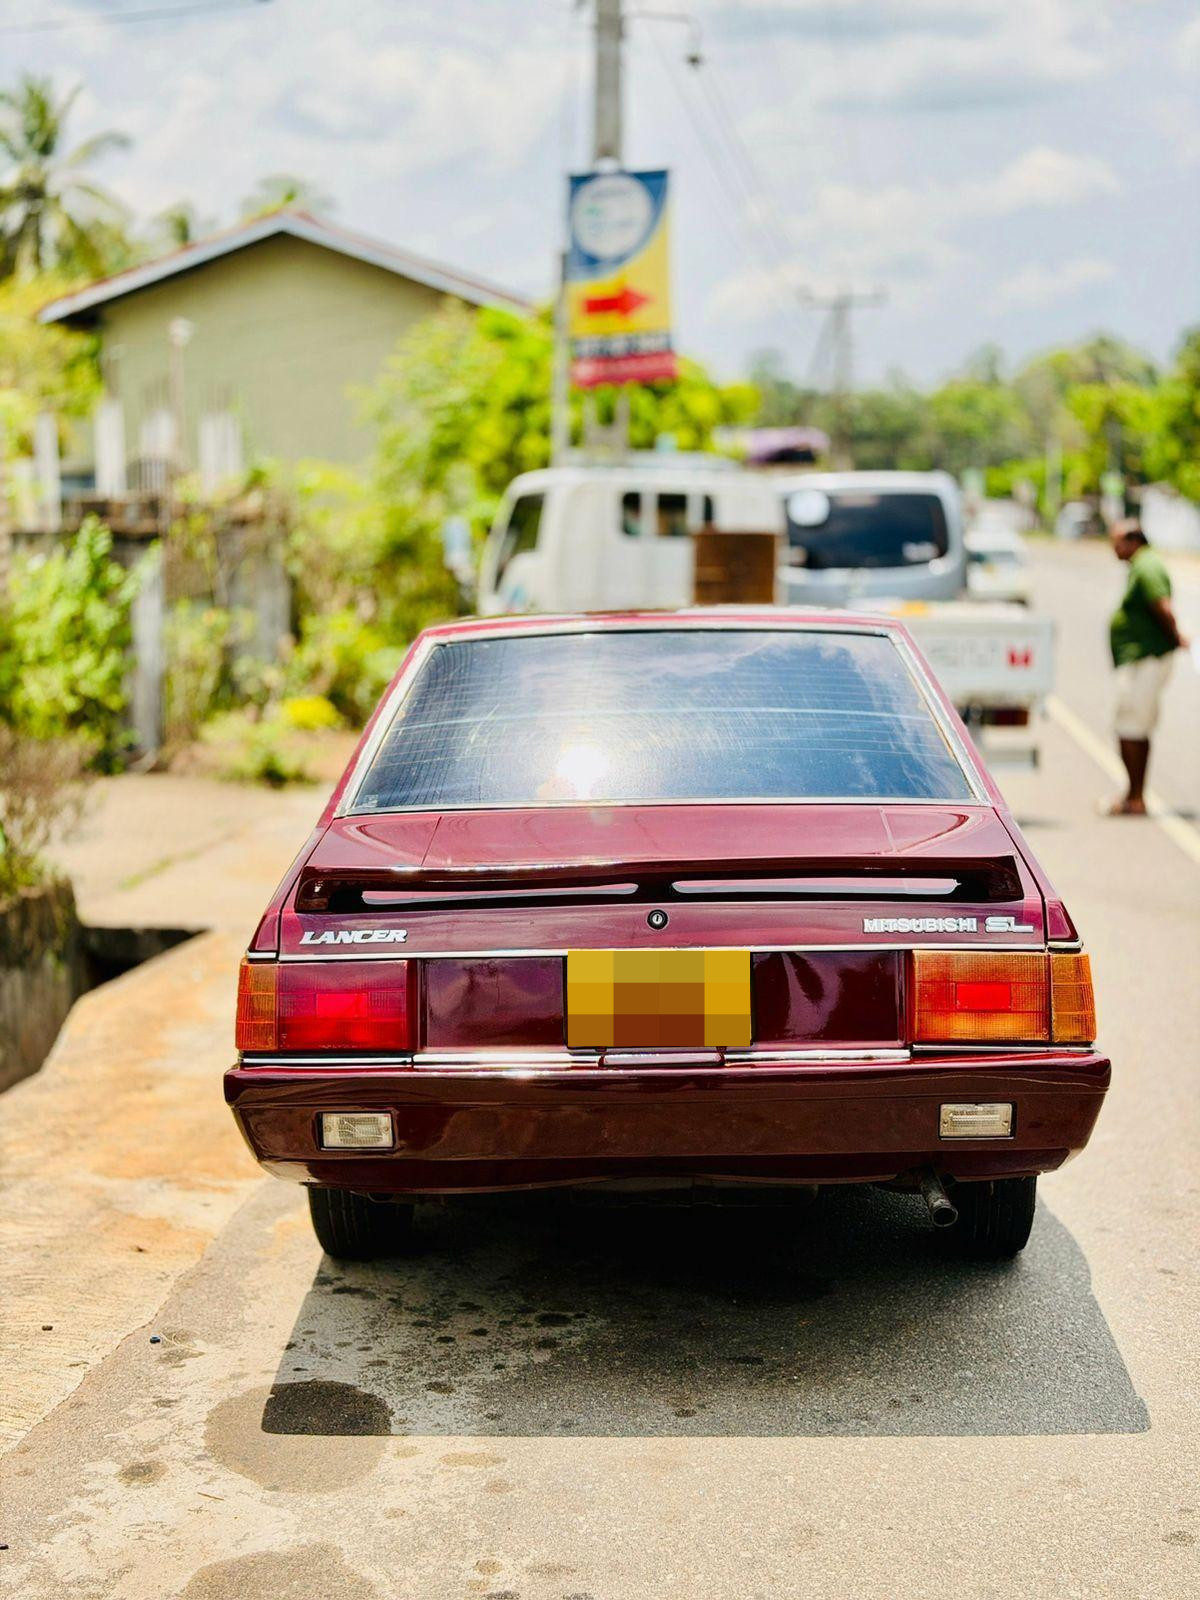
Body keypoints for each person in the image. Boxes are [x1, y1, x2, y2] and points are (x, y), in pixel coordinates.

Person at [1105, 518, 1188, 815]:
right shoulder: (1142, 564)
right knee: (1132, 726)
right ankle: (1134, 795)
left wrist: (1176, 636)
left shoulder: (1147, 566)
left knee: (1131, 726)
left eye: (1116, 542)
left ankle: (1135, 798)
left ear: (1132, 541)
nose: (1113, 548)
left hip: (1148, 659)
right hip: (1142, 659)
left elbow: (1162, 606)